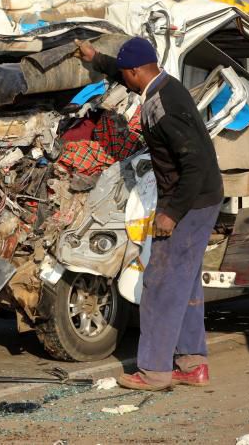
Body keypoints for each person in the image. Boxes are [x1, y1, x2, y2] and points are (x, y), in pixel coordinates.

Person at [76, 37, 223, 391]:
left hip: (190, 201)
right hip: (202, 198)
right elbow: (123, 69)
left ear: (135, 72)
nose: (124, 80)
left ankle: (154, 371)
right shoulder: (164, 83)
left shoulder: (163, 105)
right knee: (185, 283)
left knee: (160, 283)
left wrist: (170, 212)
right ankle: (192, 365)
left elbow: (195, 164)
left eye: (125, 75)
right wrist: (97, 58)